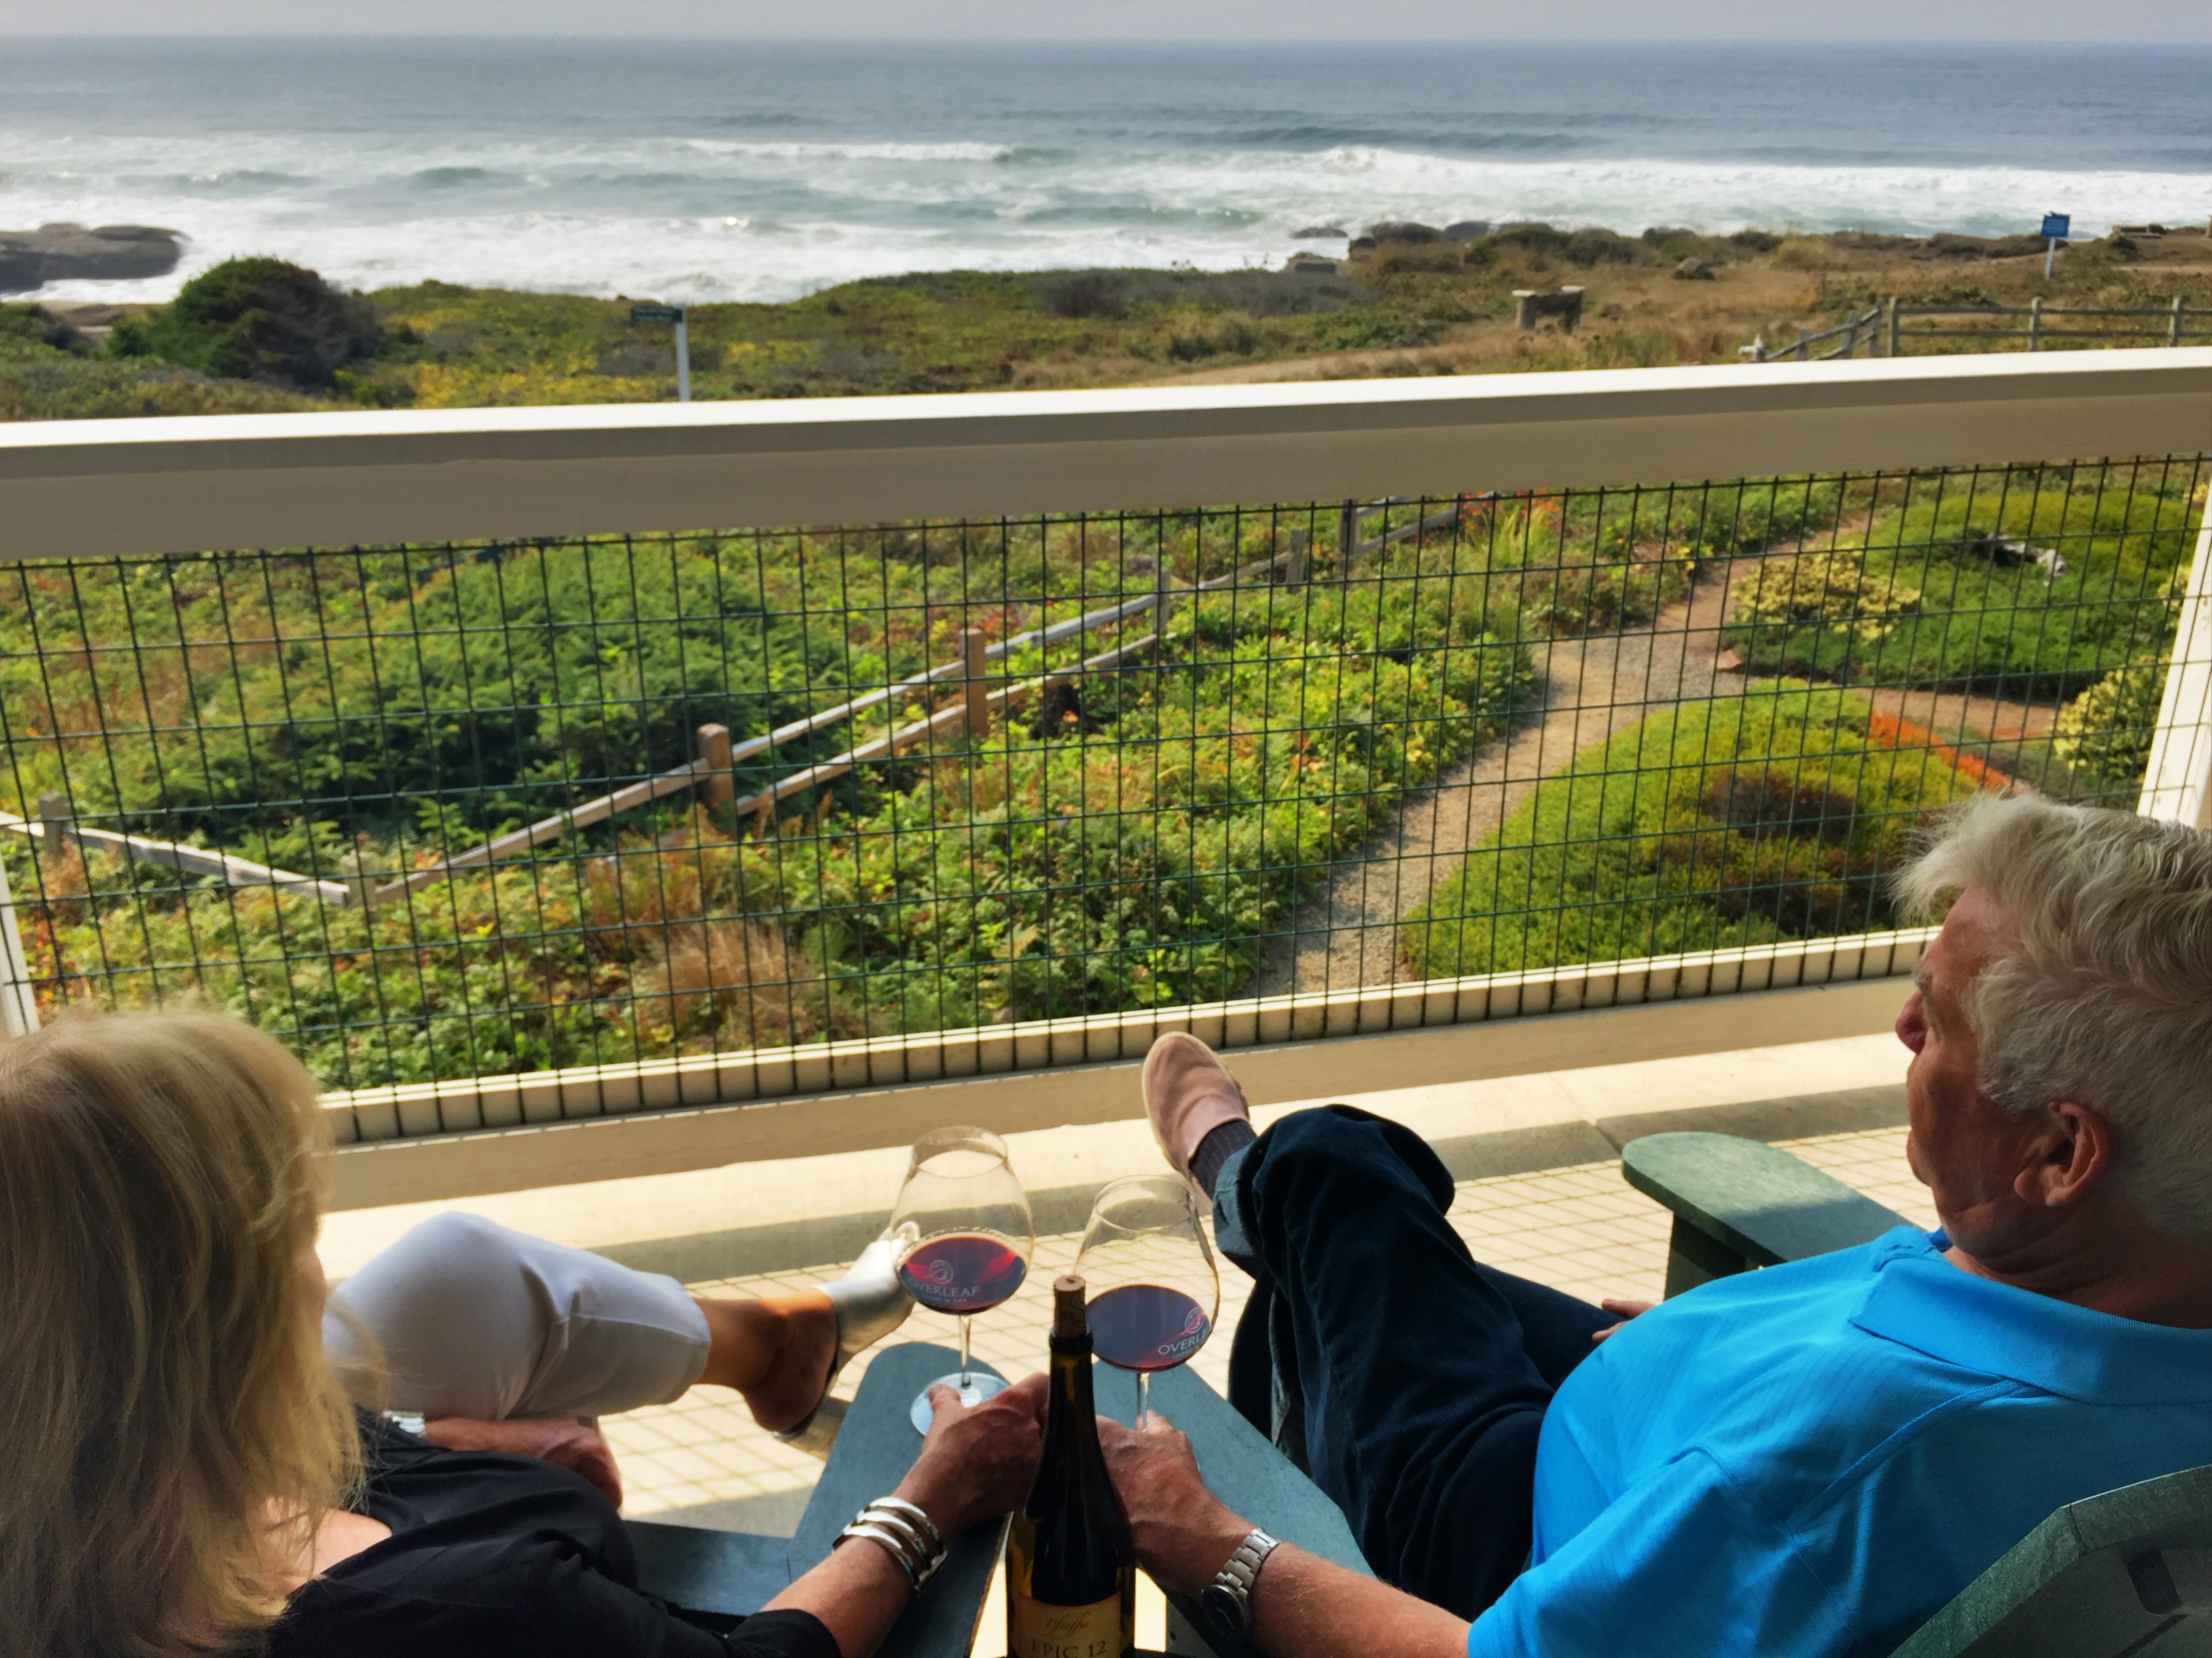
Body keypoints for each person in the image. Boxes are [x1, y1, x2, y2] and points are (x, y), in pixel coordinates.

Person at [1106, 793, 2212, 1658]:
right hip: (1669, 1441)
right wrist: (1721, 1369)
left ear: (2059, 1153)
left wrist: (1196, 1529)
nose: (1903, 1023)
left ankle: (1245, 1177)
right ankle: (1270, 1211)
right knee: (1371, 1260)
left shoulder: (1831, 1472)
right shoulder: (2148, 1287)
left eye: (1942, 1016)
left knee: (1340, 1171)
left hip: (1516, 1538)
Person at [0, 1009, 1043, 1658]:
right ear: (217, 1332)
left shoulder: (86, 1495)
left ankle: (780, 1342)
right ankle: (782, 1347)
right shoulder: (472, 1615)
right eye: (293, 1243)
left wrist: (446, 1449)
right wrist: (926, 1499)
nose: (318, 1272)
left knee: (457, 1267)